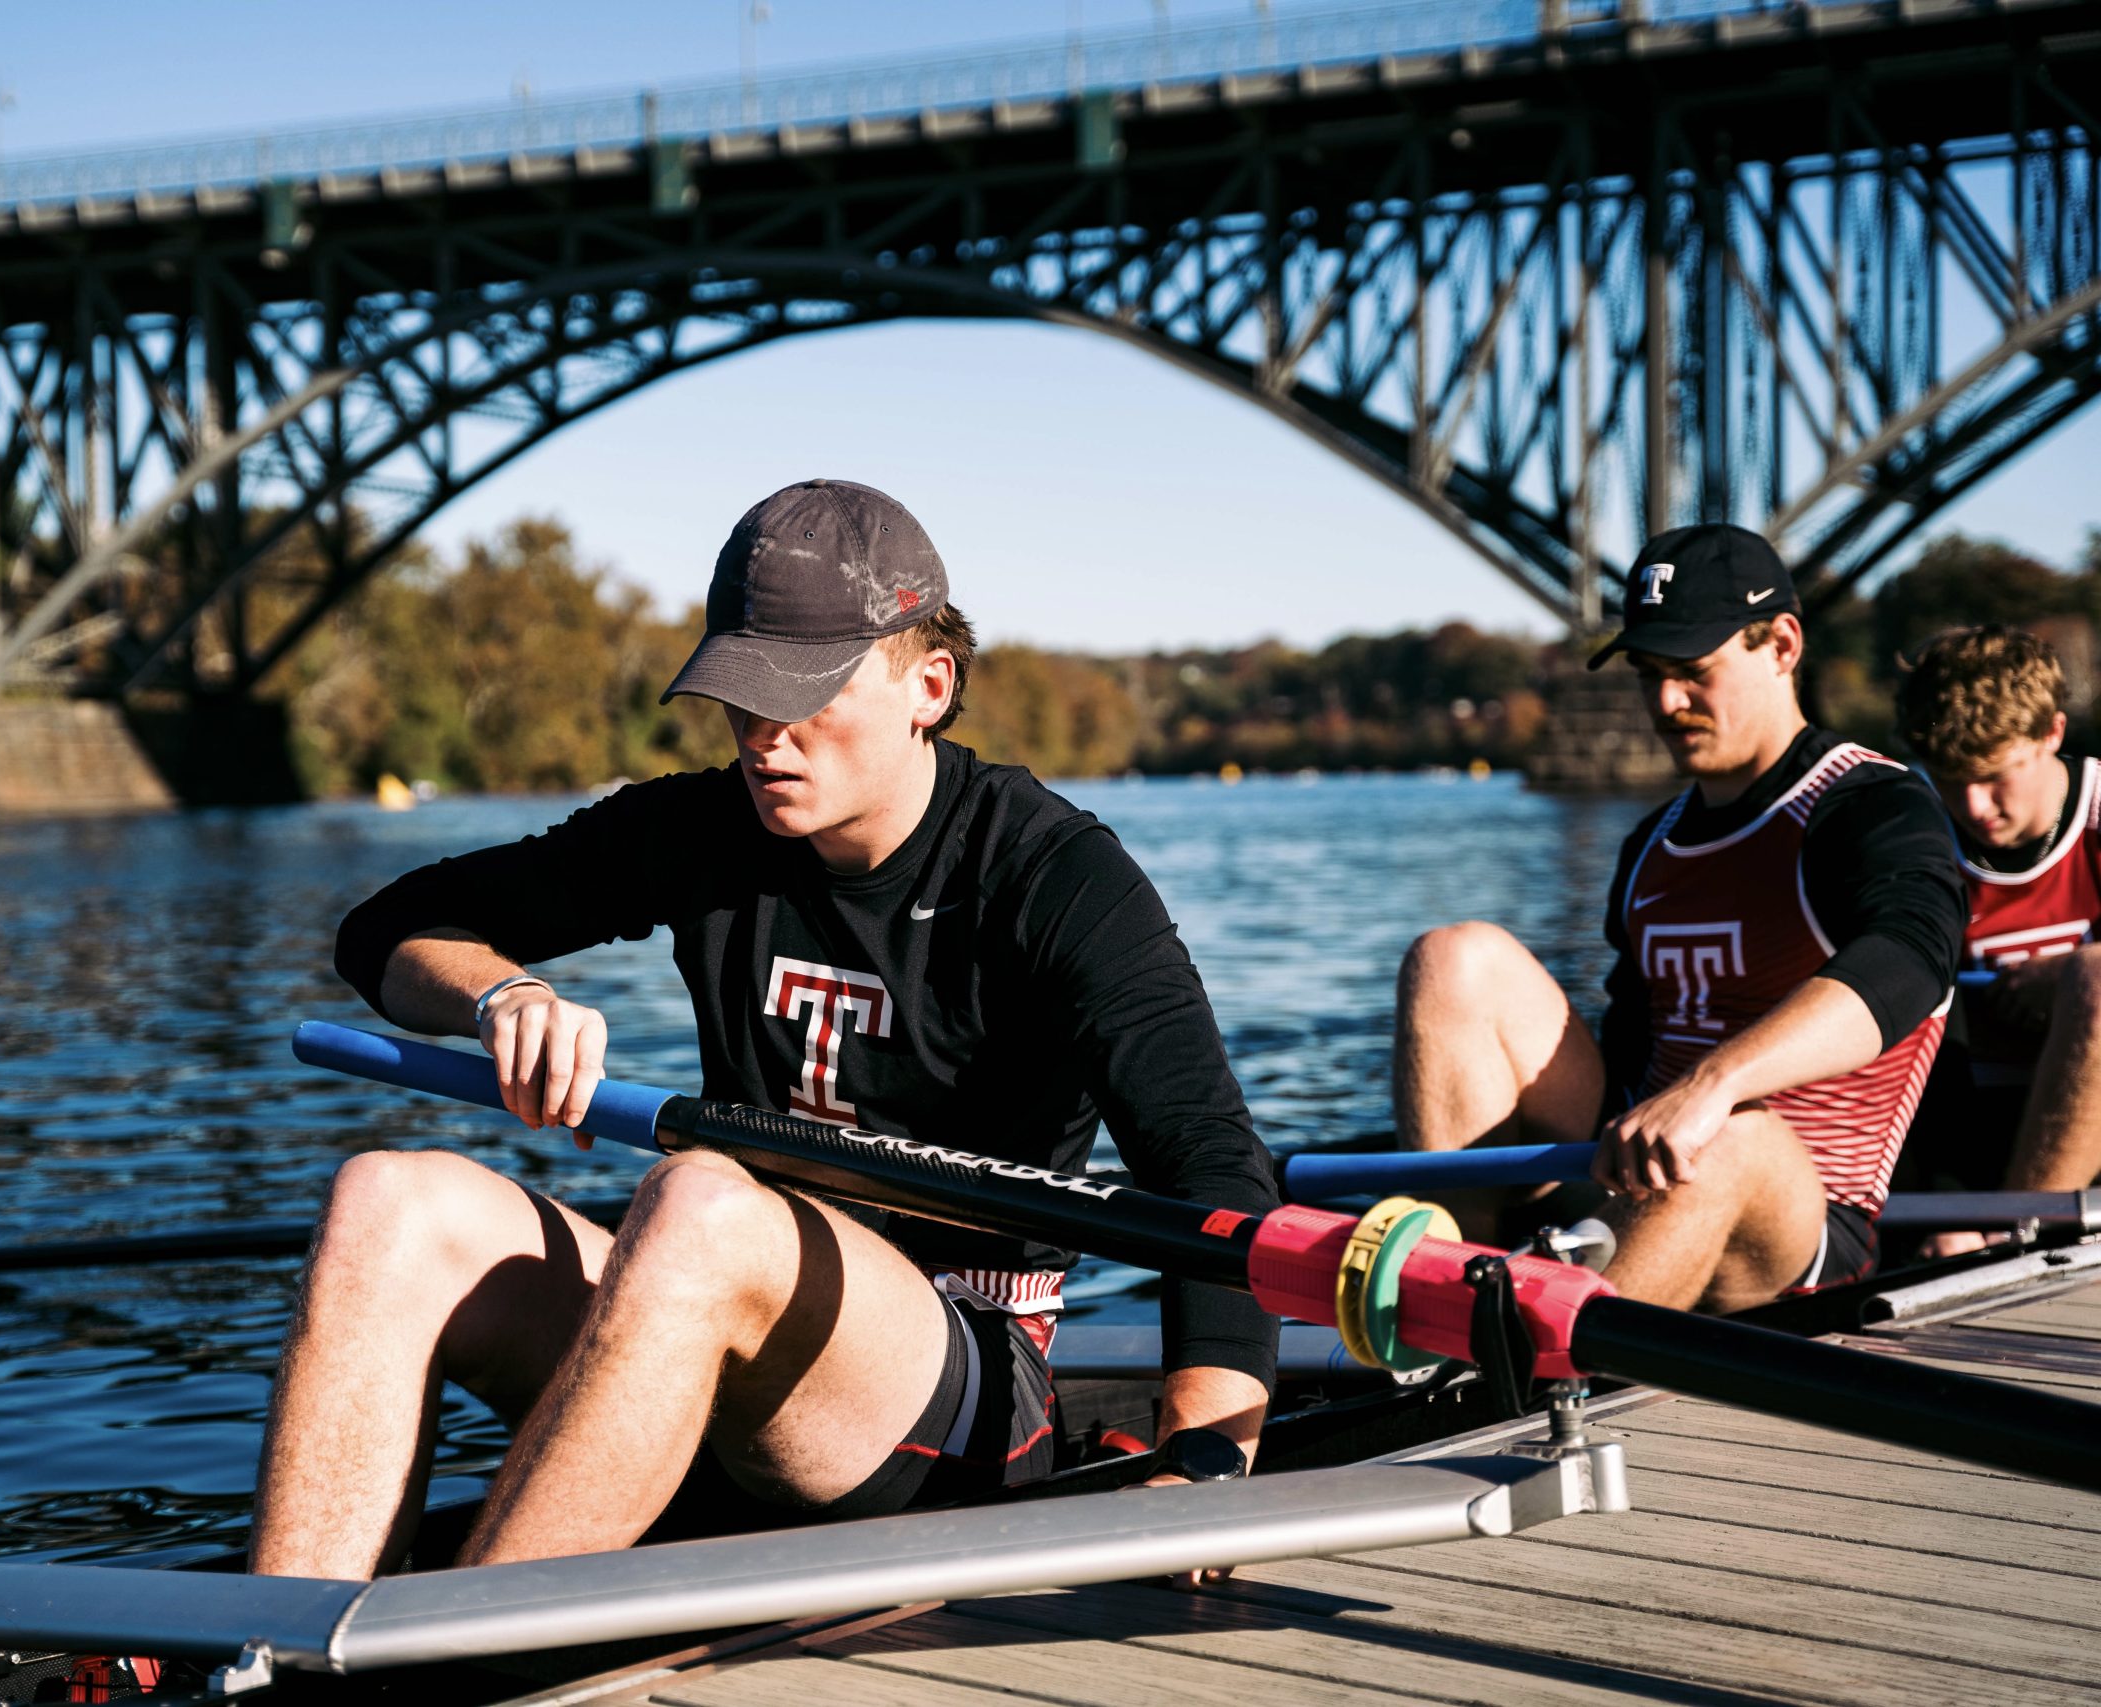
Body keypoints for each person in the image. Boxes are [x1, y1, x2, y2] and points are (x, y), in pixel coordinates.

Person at [249, 479, 1279, 1582]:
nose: (761, 735)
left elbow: (1213, 1173)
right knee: (388, 1203)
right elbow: (385, 932)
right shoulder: (701, 831)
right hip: (721, 1312)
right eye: (741, 694)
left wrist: (1205, 1465)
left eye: (802, 693)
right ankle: (280, 1657)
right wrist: (504, 999)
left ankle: (454, 1660)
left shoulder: (1054, 875)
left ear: (928, 684)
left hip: (962, 1385)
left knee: (696, 1202)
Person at [1391, 524, 1965, 1310]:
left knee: (1736, 1131)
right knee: (1455, 957)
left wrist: (1715, 1083)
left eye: (1694, 671)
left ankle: (1537, 1363)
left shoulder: (1874, 807)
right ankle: (1454, 1295)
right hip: (1638, 1173)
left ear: (1783, 644)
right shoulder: (1651, 842)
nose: (1665, 702)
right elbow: (1629, 1051)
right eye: (1649, 673)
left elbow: (1911, 963)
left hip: (1802, 1223)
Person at [1891, 627, 2101, 1222]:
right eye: (1952, 780)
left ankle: (2020, 1230)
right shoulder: (1909, 831)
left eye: (1995, 776)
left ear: (2052, 733)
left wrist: (2069, 976)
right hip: (1954, 1127)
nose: (1975, 807)